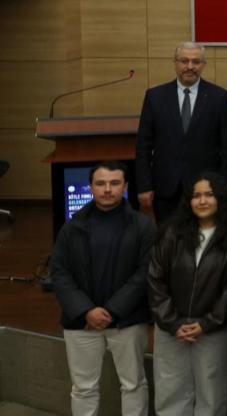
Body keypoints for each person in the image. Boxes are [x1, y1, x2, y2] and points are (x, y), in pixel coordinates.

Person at [50, 161, 156, 416]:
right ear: (91, 187)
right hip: (81, 321)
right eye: (100, 183)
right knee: (83, 388)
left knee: (133, 384)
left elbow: (145, 274)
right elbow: (60, 273)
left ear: (125, 186)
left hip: (127, 320)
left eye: (114, 183)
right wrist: (86, 311)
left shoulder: (143, 226)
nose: (107, 189)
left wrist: (111, 310)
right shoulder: (72, 226)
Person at [147, 172, 227, 416]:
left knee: (211, 401)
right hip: (171, 330)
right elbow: (155, 279)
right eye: (196, 195)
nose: (202, 201)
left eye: (209, 195)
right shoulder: (171, 233)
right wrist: (172, 322)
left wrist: (207, 323)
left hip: (213, 331)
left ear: (221, 198)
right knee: (170, 399)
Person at [135, 42, 227, 222]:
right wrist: (144, 186)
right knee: (169, 237)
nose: (190, 66)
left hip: (205, 189)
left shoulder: (219, 97)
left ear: (203, 65)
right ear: (175, 63)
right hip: (165, 189)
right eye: (184, 61)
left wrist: (222, 186)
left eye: (196, 62)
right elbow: (143, 146)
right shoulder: (155, 97)